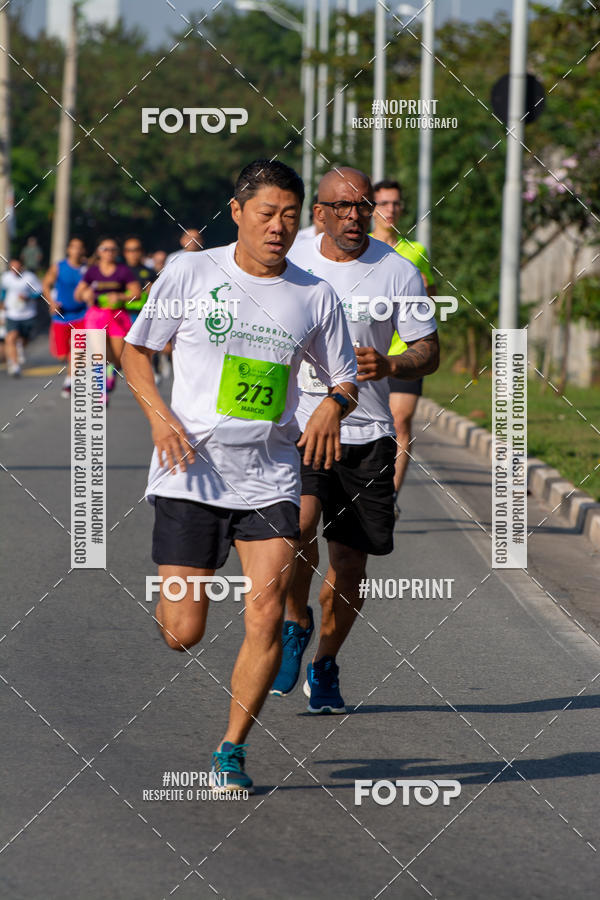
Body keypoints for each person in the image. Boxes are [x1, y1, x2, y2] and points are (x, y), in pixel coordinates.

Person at [122, 159, 358, 793]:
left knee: (263, 612)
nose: (277, 227)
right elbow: (135, 351)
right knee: (184, 633)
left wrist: (335, 404)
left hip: (270, 477)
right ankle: (178, 600)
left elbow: (344, 380)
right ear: (237, 212)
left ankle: (232, 747)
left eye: (288, 215)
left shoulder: (314, 295)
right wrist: (159, 419)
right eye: (265, 214)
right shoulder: (192, 272)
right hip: (190, 474)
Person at [271, 167, 439, 711]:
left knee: (350, 562)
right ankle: (296, 621)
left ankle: (324, 661)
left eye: (363, 206)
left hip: (366, 432)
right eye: (341, 207)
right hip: (296, 425)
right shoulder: (288, 258)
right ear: (318, 212)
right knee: (296, 530)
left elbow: (427, 350)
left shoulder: (397, 271)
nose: (353, 215)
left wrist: (390, 361)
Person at [371, 179, 436, 508]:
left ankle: (388, 497)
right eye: (384, 203)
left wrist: (425, 290)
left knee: (400, 421)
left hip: (405, 352)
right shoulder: (361, 248)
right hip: (367, 351)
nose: (391, 209)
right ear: (372, 208)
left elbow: (431, 301)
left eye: (396, 203)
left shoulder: (417, 251)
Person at [74, 238, 141, 397]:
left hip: (118, 315)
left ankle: (111, 369)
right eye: (105, 249)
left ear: (116, 253)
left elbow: (136, 293)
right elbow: (77, 294)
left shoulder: (123, 271)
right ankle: (100, 390)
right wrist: (85, 294)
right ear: (98, 252)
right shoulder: (92, 271)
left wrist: (120, 297)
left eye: (112, 249)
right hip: (97, 314)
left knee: (118, 357)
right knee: (98, 353)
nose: (108, 252)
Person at [42, 237, 88, 398]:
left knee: (78, 350)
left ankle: (70, 381)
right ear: (68, 249)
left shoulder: (87, 268)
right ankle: (72, 368)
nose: (76, 250)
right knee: (62, 355)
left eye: (79, 247)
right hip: (61, 316)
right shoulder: (59, 267)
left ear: (83, 250)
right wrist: (51, 302)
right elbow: (46, 284)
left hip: (82, 315)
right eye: (73, 247)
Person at [0, 259, 42, 376]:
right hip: (12, 313)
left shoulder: (30, 277)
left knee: (24, 340)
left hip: (28, 314)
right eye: (12, 267)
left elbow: (39, 292)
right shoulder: (6, 277)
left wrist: (28, 296)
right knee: (10, 337)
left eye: (17, 267)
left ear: (22, 267)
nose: (14, 270)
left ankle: (20, 348)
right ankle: (15, 365)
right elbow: (3, 291)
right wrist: (2, 303)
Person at [122, 236, 157, 322]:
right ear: (124, 252)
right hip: (121, 314)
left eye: (136, 250)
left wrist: (152, 290)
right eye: (129, 250)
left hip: (143, 315)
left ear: (142, 251)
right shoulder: (117, 271)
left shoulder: (150, 272)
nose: (133, 253)